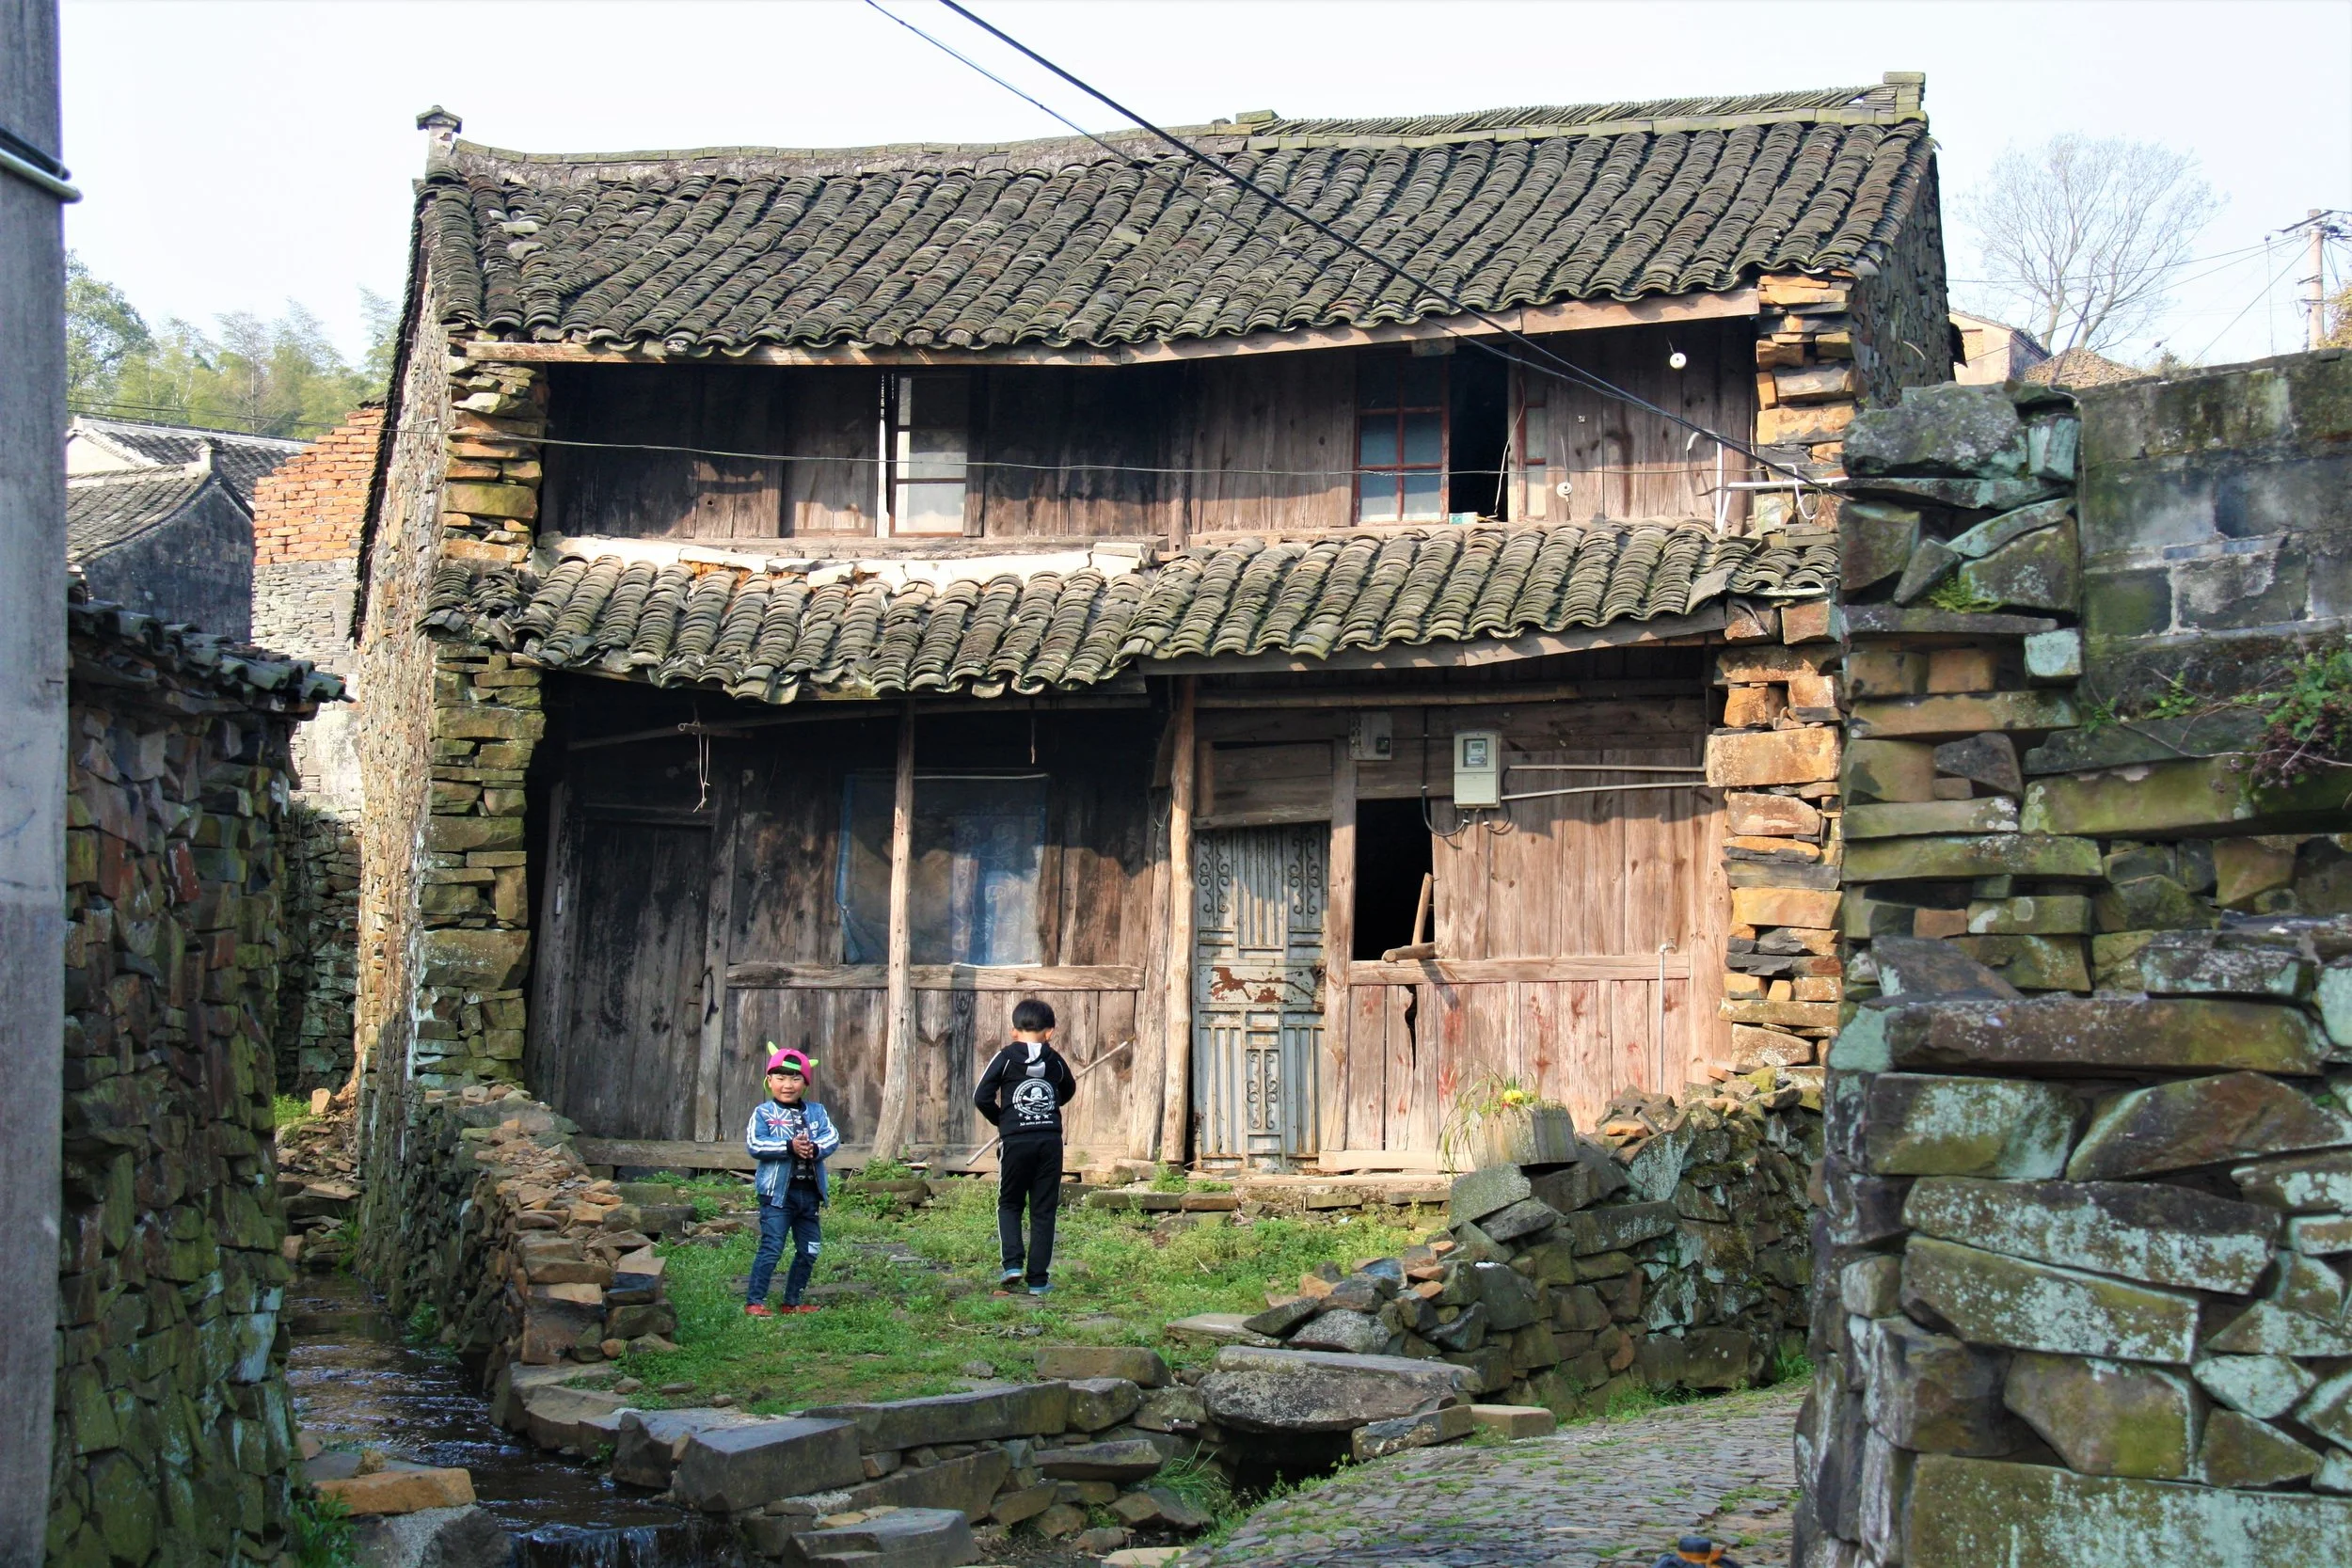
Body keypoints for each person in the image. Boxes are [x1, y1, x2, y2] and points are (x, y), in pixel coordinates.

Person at [973, 998, 1077, 1295]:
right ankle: (1038, 1281)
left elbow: (981, 1096)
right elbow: (1068, 1089)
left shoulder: (1005, 1058)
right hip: (1049, 1142)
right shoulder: (1055, 1060)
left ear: (1013, 1031)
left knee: (1009, 1203)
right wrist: (1046, 1109)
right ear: (1050, 1032)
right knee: (1044, 1210)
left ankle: (1013, 1265)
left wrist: (1005, 1121)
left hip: (1015, 1143)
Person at [743, 1046, 840, 1317]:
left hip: (809, 1195)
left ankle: (792, 1302)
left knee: (809, 1249)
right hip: (777, 1197)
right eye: (781, 1078)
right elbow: (755, 1144)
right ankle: (755, 1301)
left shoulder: (817, 1112)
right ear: (769, 1081)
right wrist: (789, 1147)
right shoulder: (763, 1113)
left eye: (796, 1079)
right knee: (772, 1247)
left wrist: (815, 1149)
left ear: (805, 1083)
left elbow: (832, 1137)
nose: (788, 1085)